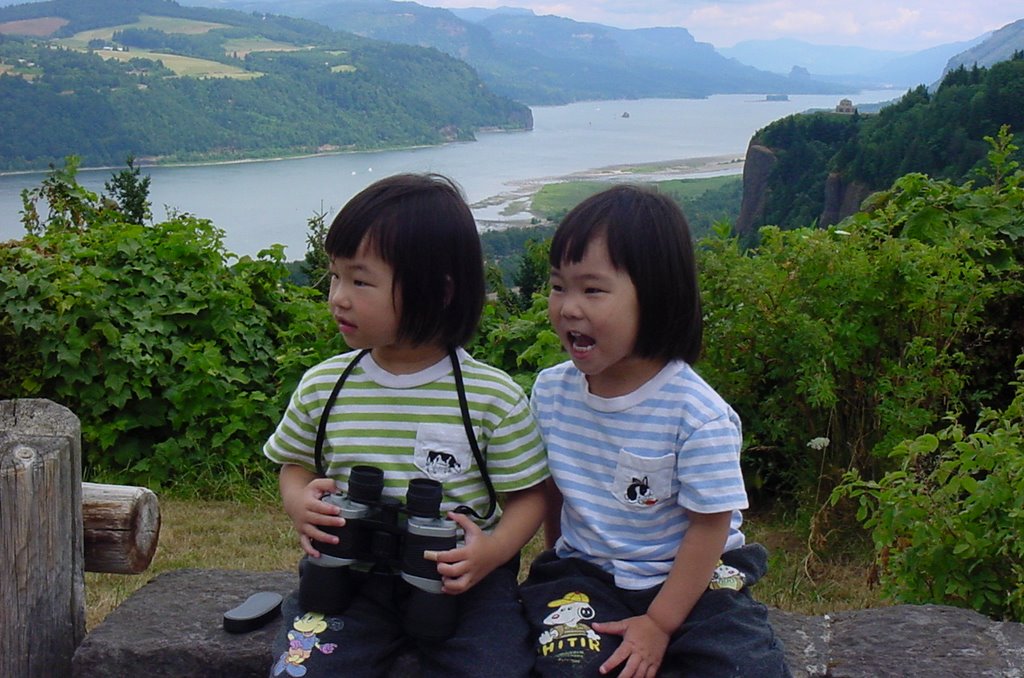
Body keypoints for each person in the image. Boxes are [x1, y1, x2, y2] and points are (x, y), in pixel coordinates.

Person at [264, 173, 549, 678]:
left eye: (360, 280)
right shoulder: (324, 384)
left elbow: (530, 496)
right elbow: (295, 466)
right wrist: (298, 502)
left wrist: (494, 553)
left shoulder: (491, 397)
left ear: (436, 292)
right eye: (334, 276)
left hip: (460, 580)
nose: (337, 297)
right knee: (305, 670)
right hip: (348, 576)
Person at [521, 185, 791, 678]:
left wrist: (659, 624)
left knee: (744, 666)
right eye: (559, 285)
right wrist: (556, 553)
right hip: (588, 574)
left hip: (697, 578)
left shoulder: (696, 414)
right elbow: (553, 487)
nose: (568, 307)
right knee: (568, 666)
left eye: (593, 289)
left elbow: (709, 528)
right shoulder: (552, 392)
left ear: (657, 295)